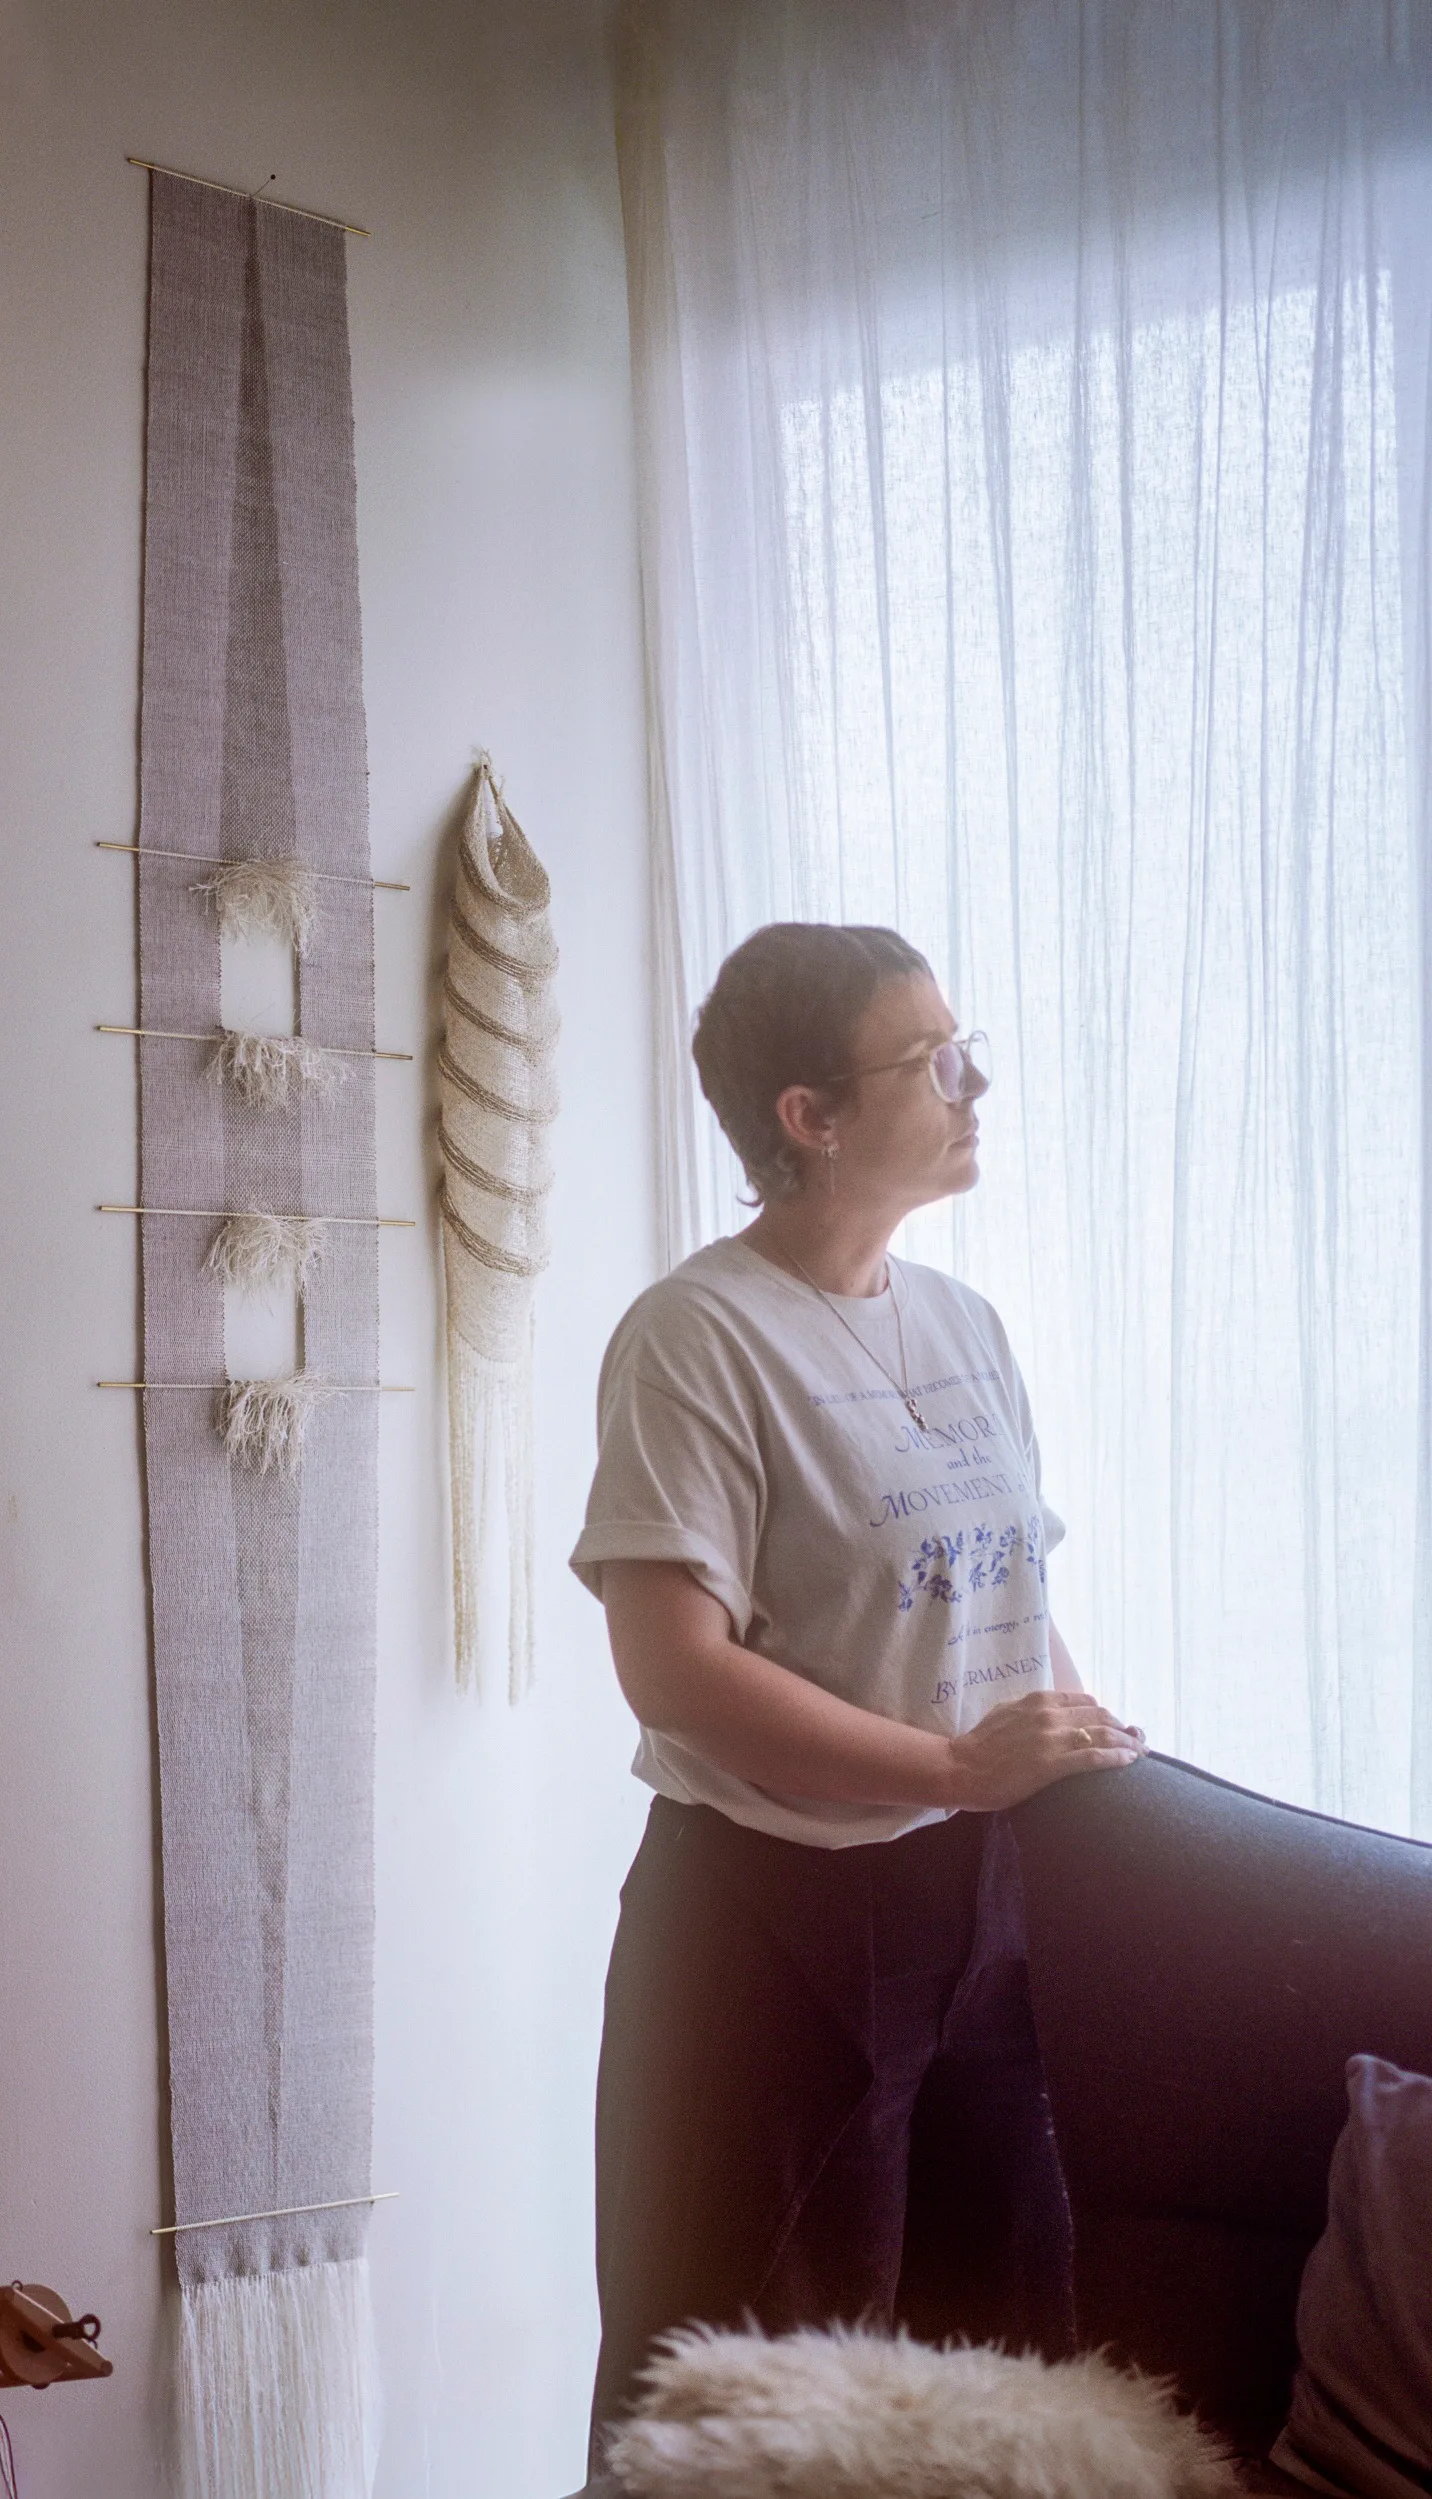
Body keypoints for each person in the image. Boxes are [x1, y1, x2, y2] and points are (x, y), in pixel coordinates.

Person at [570, 922, 1145, 2474]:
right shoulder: (697, 1337)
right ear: (806, 1116)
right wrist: (959, 1765)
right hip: (768, 1931)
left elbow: (1016, 1604)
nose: (978, 1083)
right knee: (734, 2408)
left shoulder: (967, 1326)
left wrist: (1096, 1756)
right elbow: (672, 1667)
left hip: (983, 1911)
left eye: (969, 1047)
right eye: (932, 1060)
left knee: (998, 2363)